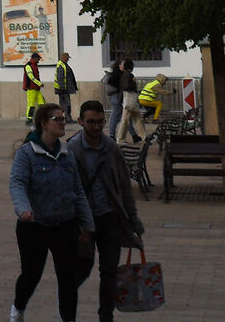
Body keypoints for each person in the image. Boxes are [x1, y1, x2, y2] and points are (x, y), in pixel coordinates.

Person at [9, 104, 93, 322]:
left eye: (64, 118)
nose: (63, 122)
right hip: (34, 225)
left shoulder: (66, 154)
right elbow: (17, 183)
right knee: (31, 274)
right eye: (57, 119)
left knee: (68, 277)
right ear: (44, 124)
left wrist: (87, 225)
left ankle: (68, 318)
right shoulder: (27, 153)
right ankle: (17, 309)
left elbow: (78, 191)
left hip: (64, 224)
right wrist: (23, 209)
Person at [72, 100, 145, 322]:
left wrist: (134, 220)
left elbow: (124, 187)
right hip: (84, 222)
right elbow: (68, 191)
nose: (95, 127)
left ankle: (106, 316)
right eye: (90, 122)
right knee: (81, 269)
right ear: (81, 122)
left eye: (99, 122)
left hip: (109, 217)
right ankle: (66, 308)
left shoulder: (112, 148)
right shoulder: (72, 150)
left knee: (109, 272)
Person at [106, 60, 132, 143]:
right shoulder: (119, 75)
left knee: (124, 116)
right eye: (121, 64)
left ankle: (134, 134)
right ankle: (112, 135)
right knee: (118, 116)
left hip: (116, 96)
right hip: (117, 97)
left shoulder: (115, 74)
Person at [23, 52, 45, 125]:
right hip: (31, 88)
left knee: (42, 103)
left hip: (36, 88)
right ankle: (29, 119)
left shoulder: (34, 65)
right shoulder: (28, 66)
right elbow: (31, 77)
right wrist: (39, 83)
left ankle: (42, 117)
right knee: (31, 104)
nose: (38, 61)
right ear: (34, 58)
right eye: (38, 59)